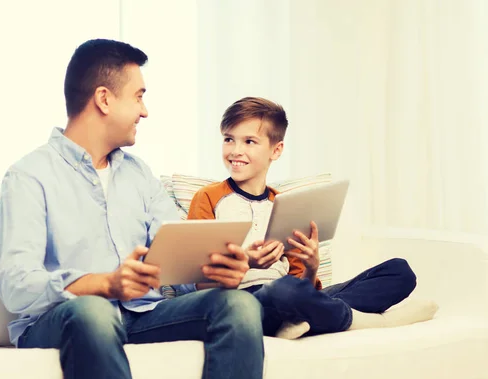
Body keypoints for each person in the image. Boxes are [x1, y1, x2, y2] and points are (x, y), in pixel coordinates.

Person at [0, 39, 264, 379]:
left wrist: (212, 272)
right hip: (64, 320)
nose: (145, 111)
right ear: (104, 99)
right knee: (93, 311)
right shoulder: (29, 176)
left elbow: (177, 258)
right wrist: (106, 284)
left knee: (238, 305)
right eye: (139, 96)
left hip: (143, 314)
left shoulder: (138, 174)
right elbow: (16, 285)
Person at [187, 96, 439, 339]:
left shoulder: (285, 205)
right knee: (285, 291)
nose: (235, 150)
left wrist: (311, 267)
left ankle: (304, 321)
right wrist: (247, 262)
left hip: (293, 297)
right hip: (245, 301)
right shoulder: (208, 198)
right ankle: (370, 321)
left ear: (276, 150)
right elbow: (199, 282)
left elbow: (303, 286)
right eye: (229, 139)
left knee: (399, 271)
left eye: (249, 141)